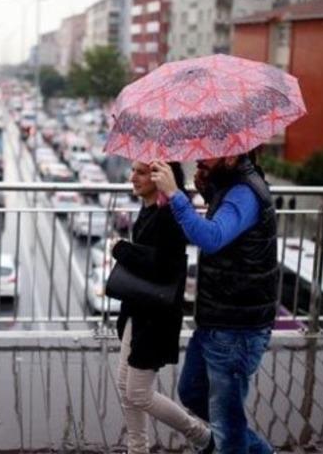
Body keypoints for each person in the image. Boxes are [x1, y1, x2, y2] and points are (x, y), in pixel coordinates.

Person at [150, 154, 279, 454]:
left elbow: (213, 237)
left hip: (236, 330)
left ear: (231, 155)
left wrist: (174, 194)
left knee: (226, 429)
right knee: (193, 391)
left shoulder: (245, 193)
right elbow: (227, 231)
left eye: (208, 154)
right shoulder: (231, 186)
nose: (200, 159)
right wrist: (209, 191)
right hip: (218, 320)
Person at [112, 161, 212, 454]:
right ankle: (137, 448)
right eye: (133, 170)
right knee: (124, 384)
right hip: (138, 310)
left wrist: (121, 249)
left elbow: (163, 267)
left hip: (155, 318)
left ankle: (203, 437)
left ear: (160, 177)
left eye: (141, 172)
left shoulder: (170, 215)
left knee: (139, 393)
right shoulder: (150, 208)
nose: (133, 177)